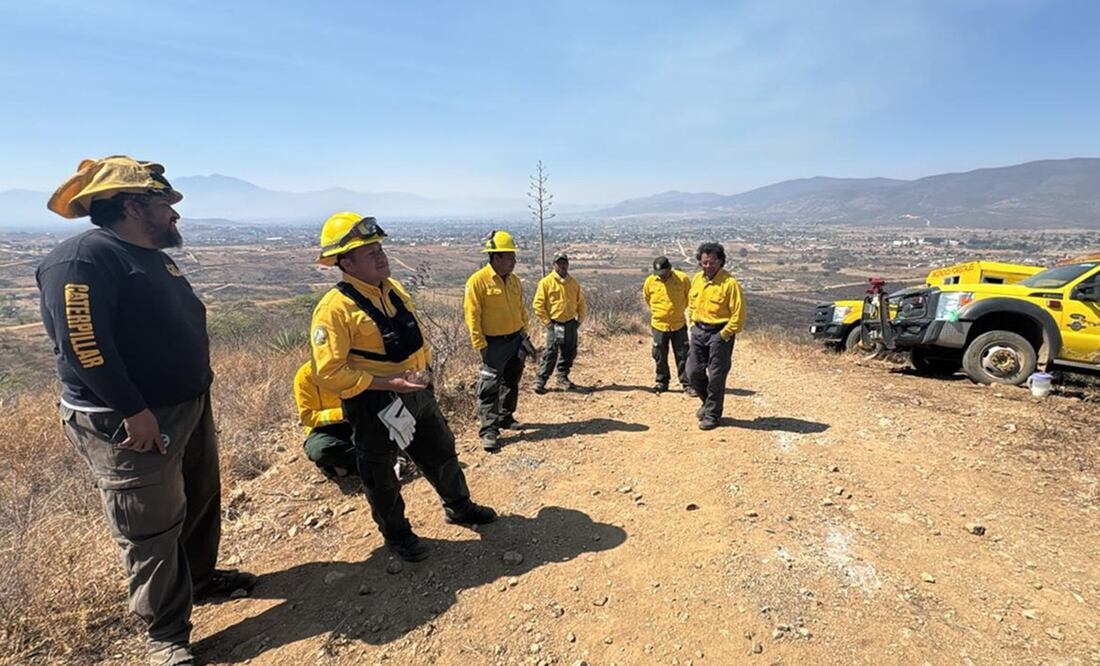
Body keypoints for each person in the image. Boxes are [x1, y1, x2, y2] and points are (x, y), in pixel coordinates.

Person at [36, 156, 254, 666]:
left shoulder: (149, 255)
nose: (175, 214)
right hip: (128, 420)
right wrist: (134, 410)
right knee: (149, 525)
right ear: (132, 206)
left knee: (198, 498)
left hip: (185, 405)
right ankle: (166, 635)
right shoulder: (84, 259)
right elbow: (83, 346)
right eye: (164, 204)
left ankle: (200, 579)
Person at [310, 212, 496, 561]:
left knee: (440, 450)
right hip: (373, 402)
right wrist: (386, 382)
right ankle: (397, 536)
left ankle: (459, 506)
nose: (381, 256)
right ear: (345, 263)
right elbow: (328, 373)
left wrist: (426, 375)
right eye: (370, 252)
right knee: (380, 473)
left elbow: (416, 337)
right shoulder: (334, 309)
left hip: (417, 391)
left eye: (379, 248)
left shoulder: (393, 289)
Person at [463, 230, 531, 452]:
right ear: (496, 257)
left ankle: (505, 417)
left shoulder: (514, 281)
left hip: (516, 339)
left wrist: (524, 334)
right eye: (510, 256)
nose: (514, 261)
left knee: (511, 380)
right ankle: (489, 431)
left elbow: (521, 309)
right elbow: (472, 316)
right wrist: (480, 345)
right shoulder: (477, 281)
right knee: (490, 387)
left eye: (514, 256)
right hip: (493, 344)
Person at [293, 360, 412, 481]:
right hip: (328, 428)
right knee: (318, 449)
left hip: (360, 418)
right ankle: (377, 463)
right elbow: (308, 416)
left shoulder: (356, 362)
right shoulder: (305, 376)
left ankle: (378, 461)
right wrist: (342, 414)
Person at [686, 242, 746, 431]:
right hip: (698, 330)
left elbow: (738, 315)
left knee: (716, 377)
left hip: (719, 332)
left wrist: (723, 334)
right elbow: (692, 304)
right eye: (704, 262)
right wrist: (692, 324)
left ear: (720, 261)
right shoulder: (697, 279)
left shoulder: (730, 284)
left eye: (712, 262)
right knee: (693, 372)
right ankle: (707, 403)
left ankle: (712, 415)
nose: (708, 266)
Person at [531, 252, 587, 393]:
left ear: (568, 264)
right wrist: (548, 323)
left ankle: (562, 378)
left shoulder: (573, 283)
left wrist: (579, 321)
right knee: (550, 352)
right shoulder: (546, 283)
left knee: (569, 352)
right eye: (559, 263)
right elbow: (538, 305)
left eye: (564, 263)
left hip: (570, 324)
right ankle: (541, 380)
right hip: (554, 324)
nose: (562, 266)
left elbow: (581, 303)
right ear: (554, 264)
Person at [642, 256, 696, 395]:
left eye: (664, 273)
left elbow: (689, 297)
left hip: (678, 324)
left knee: (683, 355)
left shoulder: (682, 279)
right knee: (659, 354)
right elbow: (647, 298)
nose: (662, 276)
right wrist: (660, 313)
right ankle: (662, 382)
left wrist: (678, 311)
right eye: (659, 274)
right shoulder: (650, 281)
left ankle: (687, 384)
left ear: (670, 269)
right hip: (659, 325)